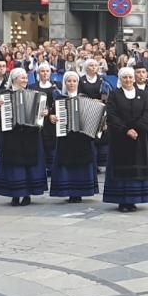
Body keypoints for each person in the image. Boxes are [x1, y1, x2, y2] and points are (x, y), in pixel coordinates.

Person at [0, 68, 48, 206]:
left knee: (29, 164)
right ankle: (15, 195)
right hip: (11, 134)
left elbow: (42, 112)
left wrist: (44, 112)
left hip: (30, 134)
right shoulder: (4, 94)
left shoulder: (35, 94)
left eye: (26, 78)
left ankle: (28, 194)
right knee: (13, 165)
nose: (25, 80)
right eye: (22, 78)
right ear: (14, 79)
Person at [103, 67, 148, 212]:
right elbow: (112, 115)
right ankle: (122, 201)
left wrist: (136, 129)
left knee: (137, 168)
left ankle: (134, 200)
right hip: (120, 139)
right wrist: (126, 130)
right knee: (122, 169)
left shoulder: (143, 94)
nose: (128, 80)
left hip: (139, 138)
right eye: (125, 77)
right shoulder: (114, 95)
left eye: (130, 77)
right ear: (120, 79)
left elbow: (146, 114)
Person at [49, 71, 100, 202]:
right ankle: (69, 190)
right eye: (69, 81)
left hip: (82, 137)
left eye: (74, 81)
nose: (71, 84)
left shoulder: (84, 97)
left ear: (78, 83)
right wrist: (51, 117)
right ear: (65, 83)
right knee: (66, 163)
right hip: (65, 137)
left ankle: (81, 191)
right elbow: (50, 113)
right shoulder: (59, 98)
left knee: (82, 163)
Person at [78, 59, 110, 172]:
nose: (94, 67)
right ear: (86, 67)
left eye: (96, 65)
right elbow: (79, 95)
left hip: (101, 111)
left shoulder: (103, 79)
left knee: (101, 137)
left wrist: (103, 100)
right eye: (91, 65)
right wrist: (92, 101)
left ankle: (102, 163)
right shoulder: (81, 80)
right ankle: (91, 163)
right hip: (86, 111)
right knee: (89, 137)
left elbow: (108, 93)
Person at [30, 63, 59, 175]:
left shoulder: (56, 86)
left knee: (51, 144)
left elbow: (59, 103)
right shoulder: (33, 87)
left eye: (47, 71)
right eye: (42, 71)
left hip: (51, 120)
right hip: (38, 120)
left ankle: (51, 167)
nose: (45, 73)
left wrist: (51, 113)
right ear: (38, 73)